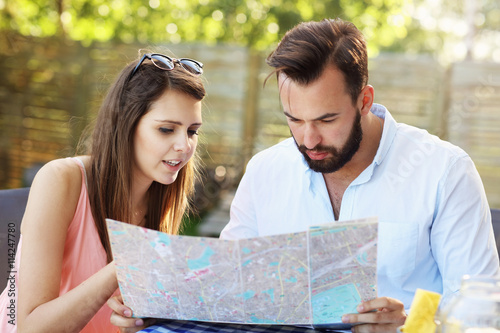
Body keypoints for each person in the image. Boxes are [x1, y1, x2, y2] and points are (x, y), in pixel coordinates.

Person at [219, 18, 500, 332]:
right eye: (295, 119)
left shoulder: (445, 171)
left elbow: (481, 313)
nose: (309, 140)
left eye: (327, 120)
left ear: (364, 101)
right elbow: (228, 288)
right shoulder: (264, 172)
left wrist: (413, 326)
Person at [0, 51, 206, 332]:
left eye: (192, 131)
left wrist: (140, 320)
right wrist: (124, 264)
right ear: (126, 124)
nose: (185, 146)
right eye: (167, 129)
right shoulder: (61, 180)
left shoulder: (165, 193)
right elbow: (30, 328)